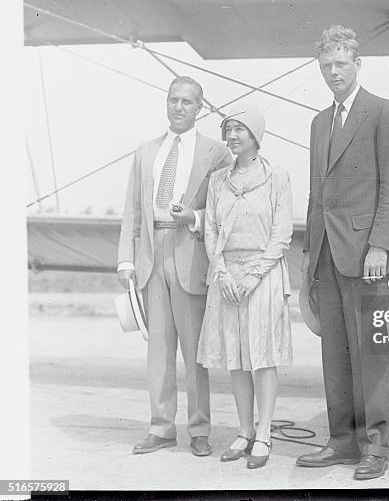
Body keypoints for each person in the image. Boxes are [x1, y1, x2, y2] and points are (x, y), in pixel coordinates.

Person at [296, 25, 389, 480]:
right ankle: (341, 440)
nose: (333, 73)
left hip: (366, 253)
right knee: (336, 355)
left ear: (357, 65)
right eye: (326, 66)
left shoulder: (382, 112)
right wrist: (308, 253)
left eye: (341, 64)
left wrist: (380, 244)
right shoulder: (319, 122)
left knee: (370, 353)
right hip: (326, 253)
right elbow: (315, 195)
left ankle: (375, 446)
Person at [117, 76, 232, 456]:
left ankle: (199, 430)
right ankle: (162, 428)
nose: (179, 107)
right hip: (152, 254)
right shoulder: (146, 151)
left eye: (187, 101)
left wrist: (193, 218)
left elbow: (222, 209)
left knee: (195, 351)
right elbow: (133, 209)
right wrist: (125, 259)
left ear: (200, 107)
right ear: (166, 104)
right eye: (173, 100)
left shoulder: (216, 153)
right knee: (159, 351)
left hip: (190, 251)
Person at [197, 106, 293, 470]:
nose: (233, 135)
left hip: (262, 277)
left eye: (240, 129)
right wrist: (221, 273)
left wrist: (253, 276)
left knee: (261, 356)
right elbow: (210, 230)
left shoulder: (277, 177)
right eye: (229, 129)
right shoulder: (218, 179)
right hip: (226, 277)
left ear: (256, 136)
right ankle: (244, 431)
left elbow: (282, 234)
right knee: (235, 356)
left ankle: (265, 433)